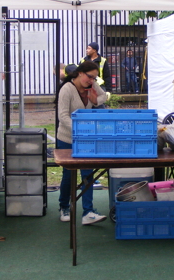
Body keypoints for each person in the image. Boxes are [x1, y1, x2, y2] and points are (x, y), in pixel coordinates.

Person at [56, 61, 107, 225]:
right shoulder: (67, 89)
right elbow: (63, 117)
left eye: (94, 78)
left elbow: (104, 96)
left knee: (88, 174)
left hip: (86, 139)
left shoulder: (92, 86)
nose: (92, 80)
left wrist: (95, 99)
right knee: (68, 175)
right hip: (67, 139)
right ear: (79, 73)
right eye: (89, 76)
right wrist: (79, 129)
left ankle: (88, 211)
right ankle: (64, 206)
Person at [79, 42, 111, 108]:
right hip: (86, 85)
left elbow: (107, 76)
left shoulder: (103, 61)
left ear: (94, 50)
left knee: (99, 104)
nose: (86, 50)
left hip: (99, 86)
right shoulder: (83, 60)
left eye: (89, 48)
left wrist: (108, 90)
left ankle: (101, 117)